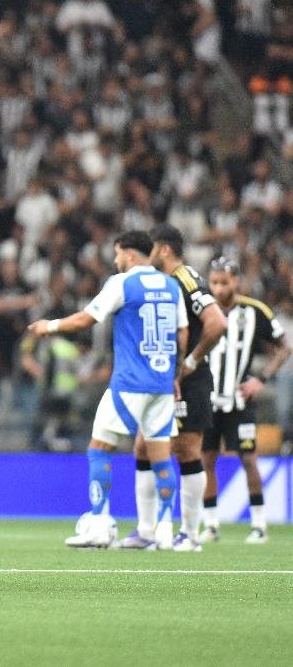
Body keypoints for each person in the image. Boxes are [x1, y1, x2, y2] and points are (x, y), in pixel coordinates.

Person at [28, 230, 188, 550]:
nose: (115, 261)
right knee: (161, 457)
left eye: (117, 254)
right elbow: (182, 334)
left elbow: (88, 319)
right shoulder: (171, 285)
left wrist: (51, 326)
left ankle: (99, 524)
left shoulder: (123, 283)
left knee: (99, 449)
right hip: (160, 383)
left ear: (129, 254)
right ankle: (166, 528)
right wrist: (174, 373)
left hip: (129, 384)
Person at [119, 224, 226, 551]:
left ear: (163, 250)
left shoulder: (185, 280)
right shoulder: (164, 283)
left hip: (189, 381)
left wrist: (190, 363)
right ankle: (147, 530)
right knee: (142, 447)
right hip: (164, 381)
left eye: (150, 249)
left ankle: (191, 534)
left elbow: (217, 323)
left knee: (187, 450)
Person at [202, 256, 290, 544]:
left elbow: (284, 347)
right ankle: (211, 524)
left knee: (249, 459)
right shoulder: (203, 309)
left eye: (223, 283)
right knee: (206, 461)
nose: (218, 289)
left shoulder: (255, 311)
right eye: (213, 282)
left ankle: (259, 524)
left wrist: (260, 379)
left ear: (236, 281)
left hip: (240, 401)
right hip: (208, 401)